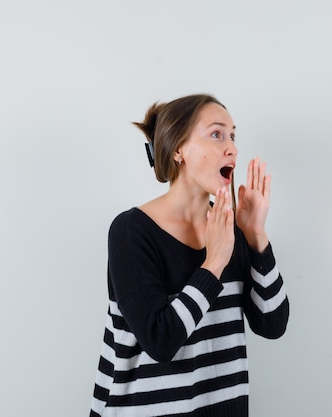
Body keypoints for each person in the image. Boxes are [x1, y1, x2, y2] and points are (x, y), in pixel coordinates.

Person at [90, 94, 289, 417]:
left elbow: (272, 323)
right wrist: (213, 263)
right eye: (216, 134)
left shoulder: (230, 230)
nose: (232, 148)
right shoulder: (131, 231)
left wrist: (255, 236)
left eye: (233, 136)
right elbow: (160, 341)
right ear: (178, 149)